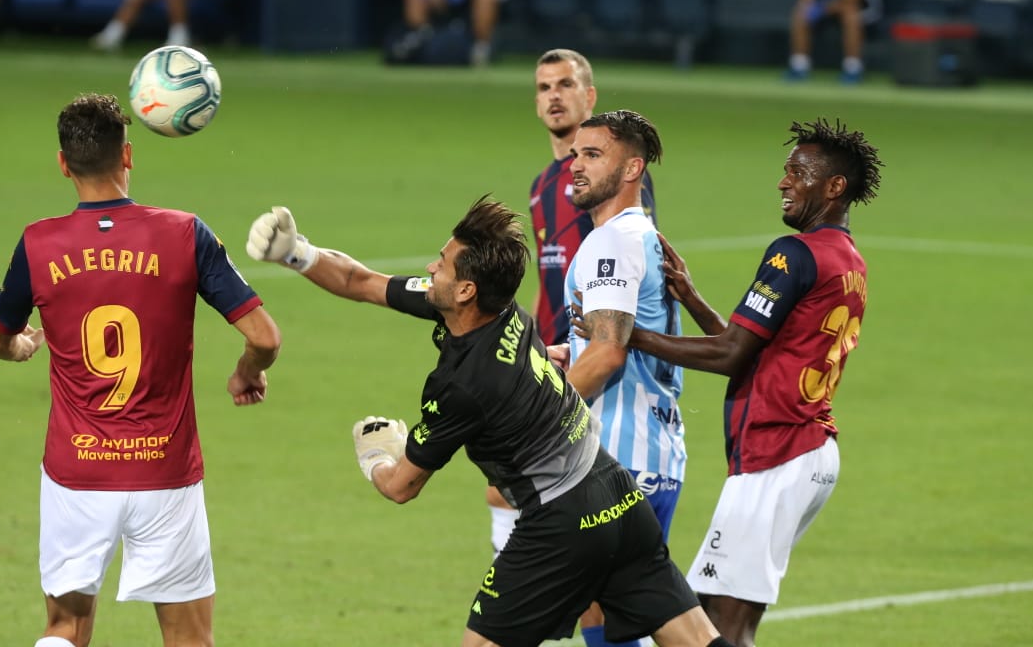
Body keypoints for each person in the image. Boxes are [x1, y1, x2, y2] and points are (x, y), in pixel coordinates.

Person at [244, 197, 732, 647]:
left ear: (465, 289)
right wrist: (297, 252)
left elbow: (400, 487)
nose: (432, 267)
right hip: (619, 497)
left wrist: (375, 452)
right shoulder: (503, 313)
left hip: (561, 525)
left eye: (442, 262)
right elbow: (363, 282)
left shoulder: (463, 385)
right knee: (695, 639)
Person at [0, 93, 280, 647]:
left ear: (63, 164)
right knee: (189, 638)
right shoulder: (183, 233)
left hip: (76, 473)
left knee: (63, 628)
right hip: (164, 473)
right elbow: (265, 337)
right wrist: (247, 370)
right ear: (129, 155)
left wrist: (22, 348)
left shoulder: (38, 243)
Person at [580, 118, 883, 647]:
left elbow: (729, 354)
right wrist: (693, 299)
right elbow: (750, 351)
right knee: (696, 619)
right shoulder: (847, 259)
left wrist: (627, 336)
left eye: (797, 173)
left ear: (835, 187)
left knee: (722, 629)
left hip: (779, 452)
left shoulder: (795, 253)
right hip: (805, 450)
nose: (784, 182)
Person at [486, 51, 661, 574]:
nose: (554, 96)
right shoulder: (543, 186)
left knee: (518, 488)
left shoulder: (608, 184)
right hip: (554, 353)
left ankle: (517, 604)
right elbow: (549, 280)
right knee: (505, 487)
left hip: (596, 370)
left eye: (566, 84)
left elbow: (629, 270)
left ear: (590, 97)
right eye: (543, 87)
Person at [562, 110, 685, 647]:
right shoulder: (640, 237)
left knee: (620, 613)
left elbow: (609, 354)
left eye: (593, 156)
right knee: (610, 612)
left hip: (619, 459)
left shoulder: (611, 243)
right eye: (575, 155)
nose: (577, 166)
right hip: (649, 452)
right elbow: (611, 342)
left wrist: (535, 410)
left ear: (633, 167)